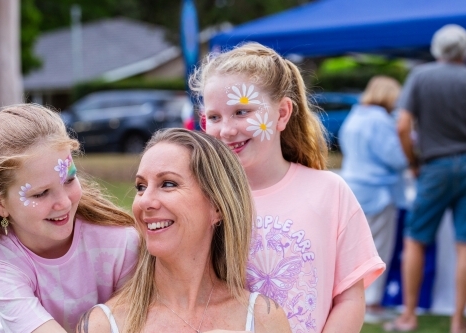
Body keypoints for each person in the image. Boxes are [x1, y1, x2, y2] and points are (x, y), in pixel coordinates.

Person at [190, 42, 385, 332]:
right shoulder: (201, 198)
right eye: (215, 117)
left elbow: (349, 298)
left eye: (242, 112)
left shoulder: (328, 192)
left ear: (282, 113)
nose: (227, 130)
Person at [77, 128, 292, 333]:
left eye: (168, 184)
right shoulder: (103, 324)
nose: (145, 201)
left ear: (217, 206)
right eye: (141, 187)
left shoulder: (263, 319)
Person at [0, 104, 140, 333]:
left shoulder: (121, 241)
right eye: (40, 193)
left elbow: (136, 322)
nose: (65, 203)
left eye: (69, 180)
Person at [385, 24, 466, 333]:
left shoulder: (421, 76)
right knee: (464, 246)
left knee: (416, 239)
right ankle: (458, 322)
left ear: (436, 49)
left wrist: (413, 161)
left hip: (434, 166)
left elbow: (403, 126)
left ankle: (408, 316)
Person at [339, 76, 408, 322]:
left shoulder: (355, 115)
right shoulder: (381, 120)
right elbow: (396, 158)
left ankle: (355, 301)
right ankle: (373, 303)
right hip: (378, 190)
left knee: (353, 250)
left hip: (354, 186)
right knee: (378, 248)